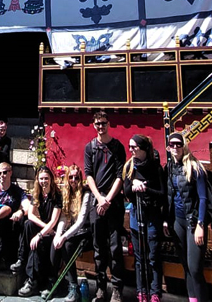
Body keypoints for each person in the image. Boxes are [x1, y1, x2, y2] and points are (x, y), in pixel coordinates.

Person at [84, 110, 126, 302]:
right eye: (97, 124)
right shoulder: (90, 147)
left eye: (103, 123)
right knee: (99, 248)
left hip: (113, 203)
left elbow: (120, 175)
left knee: (115, 248)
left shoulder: (117, 147)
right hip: (97, 202)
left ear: (109, 124)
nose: (101, 126)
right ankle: (101, 289)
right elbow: (88, 175)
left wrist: (107, 199)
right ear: (94, 126)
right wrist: (99, 199)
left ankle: (117, 289)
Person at [165, 132, 209, 302]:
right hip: (177, 221)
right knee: (186, 267)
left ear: (184, 146)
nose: (175, 147)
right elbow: (168, 196)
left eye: (179, 144)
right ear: (168, 148)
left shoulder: (195, 167)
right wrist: (166, 220)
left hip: (193, 221)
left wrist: (200, 225)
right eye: (172, 145)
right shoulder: (169, 168)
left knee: (195, 268)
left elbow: (203, 198)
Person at [123, 135, 166, 302]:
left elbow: (162, 195)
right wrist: (134, 185)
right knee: (139, 257)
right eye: (130, 147)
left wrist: (145, 189)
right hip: (136, 215)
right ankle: (141, 291)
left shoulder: (156, 168)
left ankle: (155, 292)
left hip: (152, 216)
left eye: (134, 147)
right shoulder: (130, 167)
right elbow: (126, 192)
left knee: (153, 256)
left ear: (143, 148)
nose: (131, 150)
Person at [18, 166, 62, 297]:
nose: (44, 182)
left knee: (37, 242)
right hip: (45, 230)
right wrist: (41, 231)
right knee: (28, 224)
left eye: (46, 178)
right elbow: (30, 215)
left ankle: (32, 280)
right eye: (41, 179)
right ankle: (21, 259)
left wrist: (39, 235)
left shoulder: (57, 196)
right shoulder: (37, 194)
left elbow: (53, 221)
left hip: (53, 233)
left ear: (51, 179)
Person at [52, 164, 92, 302]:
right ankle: (55, 281)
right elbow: (64, 217)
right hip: (73, 233)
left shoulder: (86, 194)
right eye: (71, 177)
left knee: (67, 245)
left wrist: (64, 237)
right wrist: (58, 235)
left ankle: (73, 286)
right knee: (55, 245)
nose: (73, 180)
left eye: (76, 177)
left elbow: (81, 221)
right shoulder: (66, 194)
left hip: (85, 233)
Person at [0, 162, 30, 268]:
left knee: (24, 221)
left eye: (5, 172)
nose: (2, 175)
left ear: (10, 172)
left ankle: (20, 259)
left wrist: (21, 211)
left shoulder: (17, 191)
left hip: (13, 224)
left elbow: (28, 206)